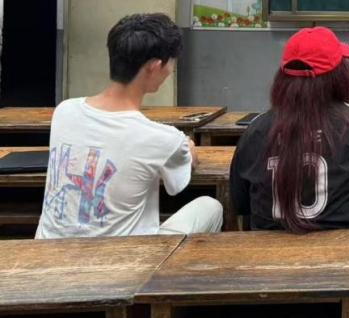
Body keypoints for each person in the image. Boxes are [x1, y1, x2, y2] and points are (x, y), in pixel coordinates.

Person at [230, 27, 349, 318]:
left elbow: (240, 203)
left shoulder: (257, 130)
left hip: (268, 268)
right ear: (338, 76)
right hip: (347, 265)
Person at [36, 13, 223, 239]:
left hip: (48, 250)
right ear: (155, 67)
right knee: (211, 206)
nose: (171, 69)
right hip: (124, 258)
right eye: (172, 63)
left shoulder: (65, 111)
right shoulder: (163, 139)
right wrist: (188, 147)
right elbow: (182, 173)